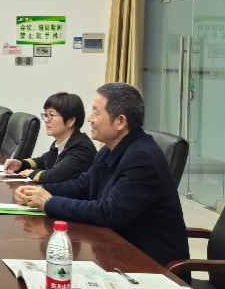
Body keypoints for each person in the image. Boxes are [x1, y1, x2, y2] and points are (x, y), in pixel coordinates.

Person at [15, 82, 189, 269]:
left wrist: (49, 202)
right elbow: (82, 186)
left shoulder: (141, 157)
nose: (89, 119)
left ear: (120, 121)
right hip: (116, 252)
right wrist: (37, 192)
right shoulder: (109, 150)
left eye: (96, 113)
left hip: (151, 266)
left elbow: (110, 212)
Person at [3, 92, 95, 184]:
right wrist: (21, 164)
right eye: (46, 115)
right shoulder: (61, 143)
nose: (46, 120)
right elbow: (43, 161)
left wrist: (31, 173)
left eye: (51, 115)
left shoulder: (82, 149)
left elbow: (55, 175)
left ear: (70, 121)